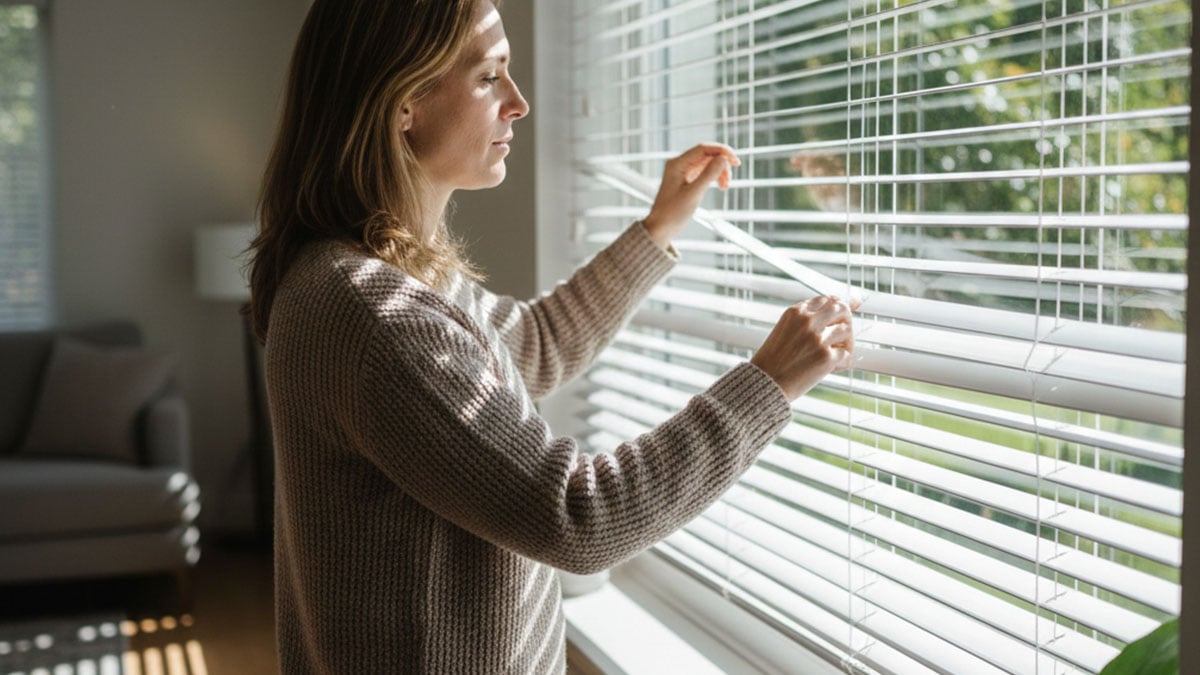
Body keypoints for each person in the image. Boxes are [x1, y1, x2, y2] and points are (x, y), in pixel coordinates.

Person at [247, 0, 855, 672]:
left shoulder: (383, 272)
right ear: (402, 102)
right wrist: (767, 384)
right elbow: (575, 515)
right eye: (488, 76)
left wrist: (657, 230)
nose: (519, 103)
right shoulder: (372, 311)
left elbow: (529, 346)